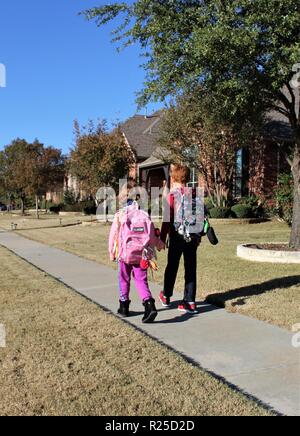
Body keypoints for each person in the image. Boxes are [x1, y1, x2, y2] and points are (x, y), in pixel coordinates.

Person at [109, 181, 163, 323]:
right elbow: (151, 234)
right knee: (141, 280)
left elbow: (113, 234)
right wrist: (159, 244)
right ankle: (149, 305)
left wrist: (111, 253)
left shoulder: (120, 215)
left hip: (124, 254)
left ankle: (124, 306)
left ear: (122, 197)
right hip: (142, 254)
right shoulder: (144, 214)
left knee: (124, 279)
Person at [159, 165, 202, 314]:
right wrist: (198, 236)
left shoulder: (172, 195)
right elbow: (200, 216)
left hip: (177, 236)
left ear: (173, 178)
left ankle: (166, 295)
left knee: (172, 266)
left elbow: (167, 219)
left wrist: (162, 239)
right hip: (192, 236)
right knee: (190, 268)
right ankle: (190, 301)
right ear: (188, 178)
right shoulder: (195, 194)